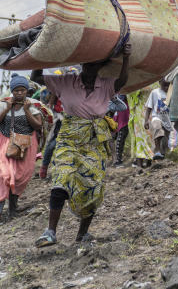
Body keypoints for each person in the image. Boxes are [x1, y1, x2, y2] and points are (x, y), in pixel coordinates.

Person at [34, 44, 131, 247]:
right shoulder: (66, 82)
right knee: (61, 177)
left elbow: (123, 80)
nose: (89, 67)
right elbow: (36, 78)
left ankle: (82, 233)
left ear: (100, 66)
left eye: (94, 64)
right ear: (81, 64)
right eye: (86, 63)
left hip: (94, 143)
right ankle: (50, 231)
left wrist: (127, 57)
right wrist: (40, 54)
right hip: (68, 138)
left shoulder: (105, 85)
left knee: (94, 187)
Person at [0, 75, 49, 220]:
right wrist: (8, 108)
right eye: (16, 90)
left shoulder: (33, 104)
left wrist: (27, 110)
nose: (19, 93)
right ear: (12, 91)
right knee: (4, 175)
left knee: (20, 176)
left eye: (22, 90)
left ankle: (12, 211)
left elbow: (38, 125)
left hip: (26, 145)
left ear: (26, 91)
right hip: (5, 143)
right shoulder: (4, 104)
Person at [126, 86, 154, 168]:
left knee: (150, 137)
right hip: (139, 112)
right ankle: (139, 165)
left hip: (152, 113)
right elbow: (129, 92)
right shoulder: (137, 80)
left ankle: (149, 162)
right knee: (140, 137)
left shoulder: (156, 78)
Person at [145, 79, 171, 161]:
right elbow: (149, 108)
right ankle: (157, 150)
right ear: (159, 83)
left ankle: (161, 155)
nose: (166, 88)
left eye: (168, 85)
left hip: (168, 120)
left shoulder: (172, 92)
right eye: (164, 85)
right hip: (156, 116)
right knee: (158, 128)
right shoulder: (155, 92)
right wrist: (146, 120)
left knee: (166, 140)